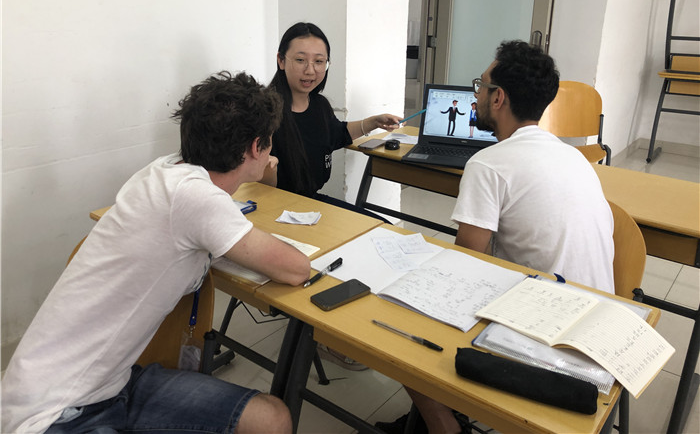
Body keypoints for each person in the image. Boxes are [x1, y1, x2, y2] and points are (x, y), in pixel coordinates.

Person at [2, 71, 311, 434]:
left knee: (272, 418)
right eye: (269, 144)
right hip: (55, 413)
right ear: (257, 147)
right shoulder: (196, 198)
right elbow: (296, 269)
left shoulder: (166, 169)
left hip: (112, 385)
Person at [377, 41, 614, 434]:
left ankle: (443, 425)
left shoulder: (488, 163)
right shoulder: (574, 156)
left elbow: (466, 265)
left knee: (391, 321)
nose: (476, 96)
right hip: (603, 330)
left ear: (498, 97)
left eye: (480, 87)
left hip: (549, 348)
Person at [262, 22, 401, 206]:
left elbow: (337, 133)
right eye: (300, 60)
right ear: (281, 60)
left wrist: (374, 121)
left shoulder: (319, 105)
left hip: (310, 203)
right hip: (273, 207)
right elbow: (254, 184)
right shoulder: (262, 111)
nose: (310, 70)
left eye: (319, 61)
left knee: (380, 222)